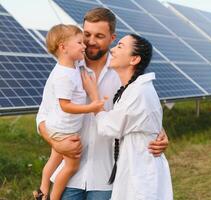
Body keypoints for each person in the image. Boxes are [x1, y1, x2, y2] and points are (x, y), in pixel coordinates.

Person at [36, 7, 169, 200]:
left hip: (106, 179)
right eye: (87, 34)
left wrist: (159, 134)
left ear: (112, 38)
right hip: (69, 179)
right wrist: (56, 142)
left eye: (99, 36)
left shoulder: (123, 75)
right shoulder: (64, 72)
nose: (90, 41)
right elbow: (43, 116)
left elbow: (138, 112)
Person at [82, 33, 173, 199]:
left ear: (134, 59)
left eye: (120, 46)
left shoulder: (139, 91)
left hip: (140, 169)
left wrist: (94, 97)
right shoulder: (132, 89)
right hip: (134, 165)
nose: (113, 50)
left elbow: (110, 127)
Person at [33, 24, 104, 200]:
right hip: (64, 130)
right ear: (63, 47)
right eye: (80, 42)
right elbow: (65, 105)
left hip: (60, 126)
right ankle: (53, 197)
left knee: (55, 158)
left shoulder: (73, 66)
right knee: (71, 166)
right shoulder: (63, 75)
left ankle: (42, 188)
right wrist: (91, 107)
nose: (85, 46)